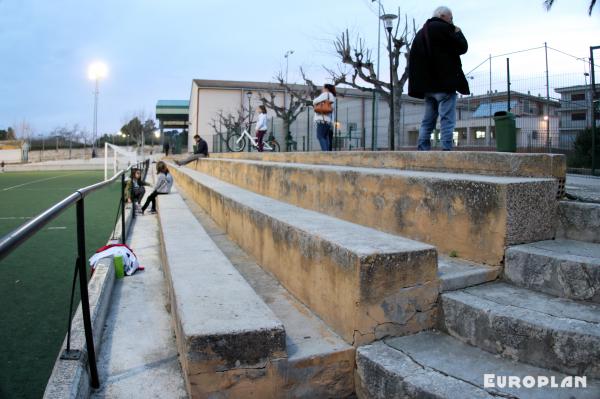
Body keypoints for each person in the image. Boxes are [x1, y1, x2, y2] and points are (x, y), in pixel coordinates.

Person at [408, 6, 470, 151]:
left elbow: (414, 60)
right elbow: (463, 47)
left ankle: (423, 149)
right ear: (443, 16)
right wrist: (458, 31)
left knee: (428, 120)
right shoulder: (445, 29)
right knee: (447, 119)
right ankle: (446, 149)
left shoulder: (421, 33)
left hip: (427, 87)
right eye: (451, 18)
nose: (452, 21)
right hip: (445, 84)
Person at [313, 84, 337, 151]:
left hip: (322, 119)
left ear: (327, 88)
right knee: (325, 137)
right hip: (328, 121)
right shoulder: (332, 97)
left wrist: (316, 103)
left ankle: (325, 153)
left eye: (323, 88)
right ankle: (327, 153)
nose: (322, 89)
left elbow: (314, 101)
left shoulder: (326, 94)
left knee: (320, 136)